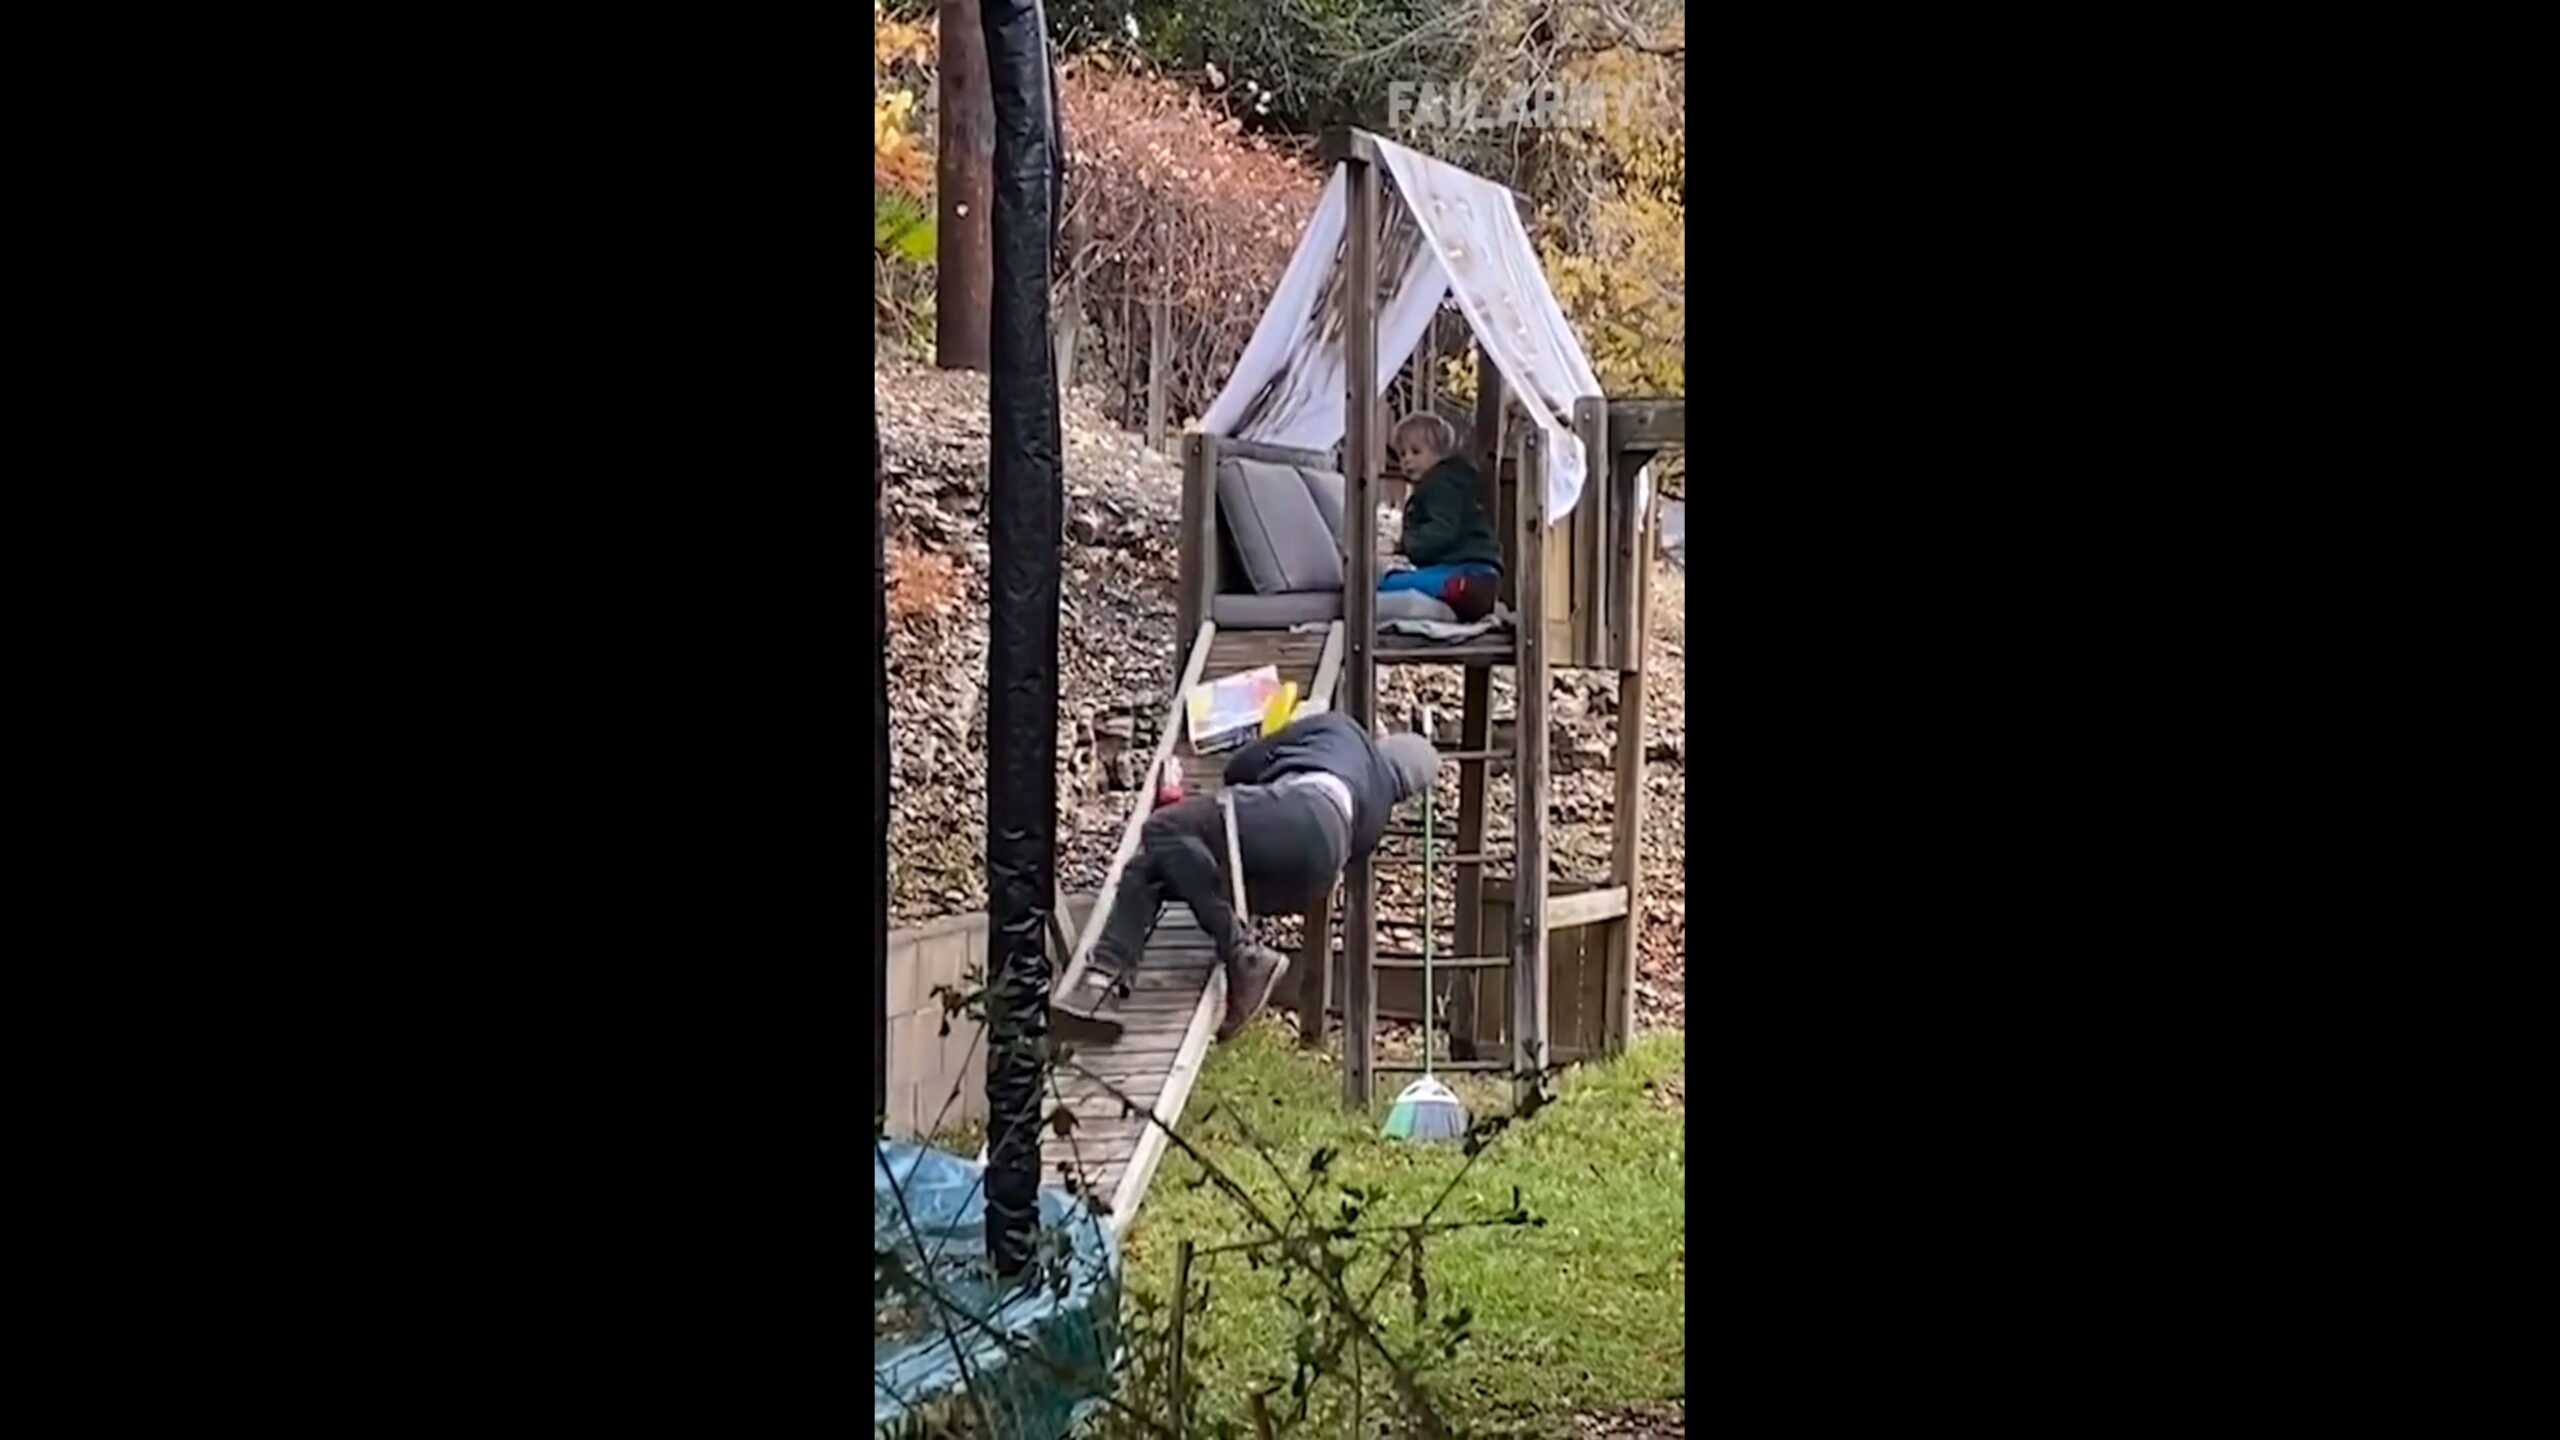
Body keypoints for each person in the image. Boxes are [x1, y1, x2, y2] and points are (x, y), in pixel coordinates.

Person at [1085, 712, 1441, 1041]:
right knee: (1152, 868)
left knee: (1163, 828)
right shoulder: (1377, 817)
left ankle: (1243, 955)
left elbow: (1242, 766)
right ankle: (1104, 977)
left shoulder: (1342, 729)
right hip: (1313, 877)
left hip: (1300, 810)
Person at [1383, 413, 1503, 622]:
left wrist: (1405, 545)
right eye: (1402, 454)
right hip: (1471, 565)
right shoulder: (1447, 484)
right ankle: (1463, 593)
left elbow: (1440, 531)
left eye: (1416, 451)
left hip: (1465, 567)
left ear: (1440, 454)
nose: (1407, 459)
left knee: (1385, 584)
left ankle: (1457, 588)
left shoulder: (1440, 486)